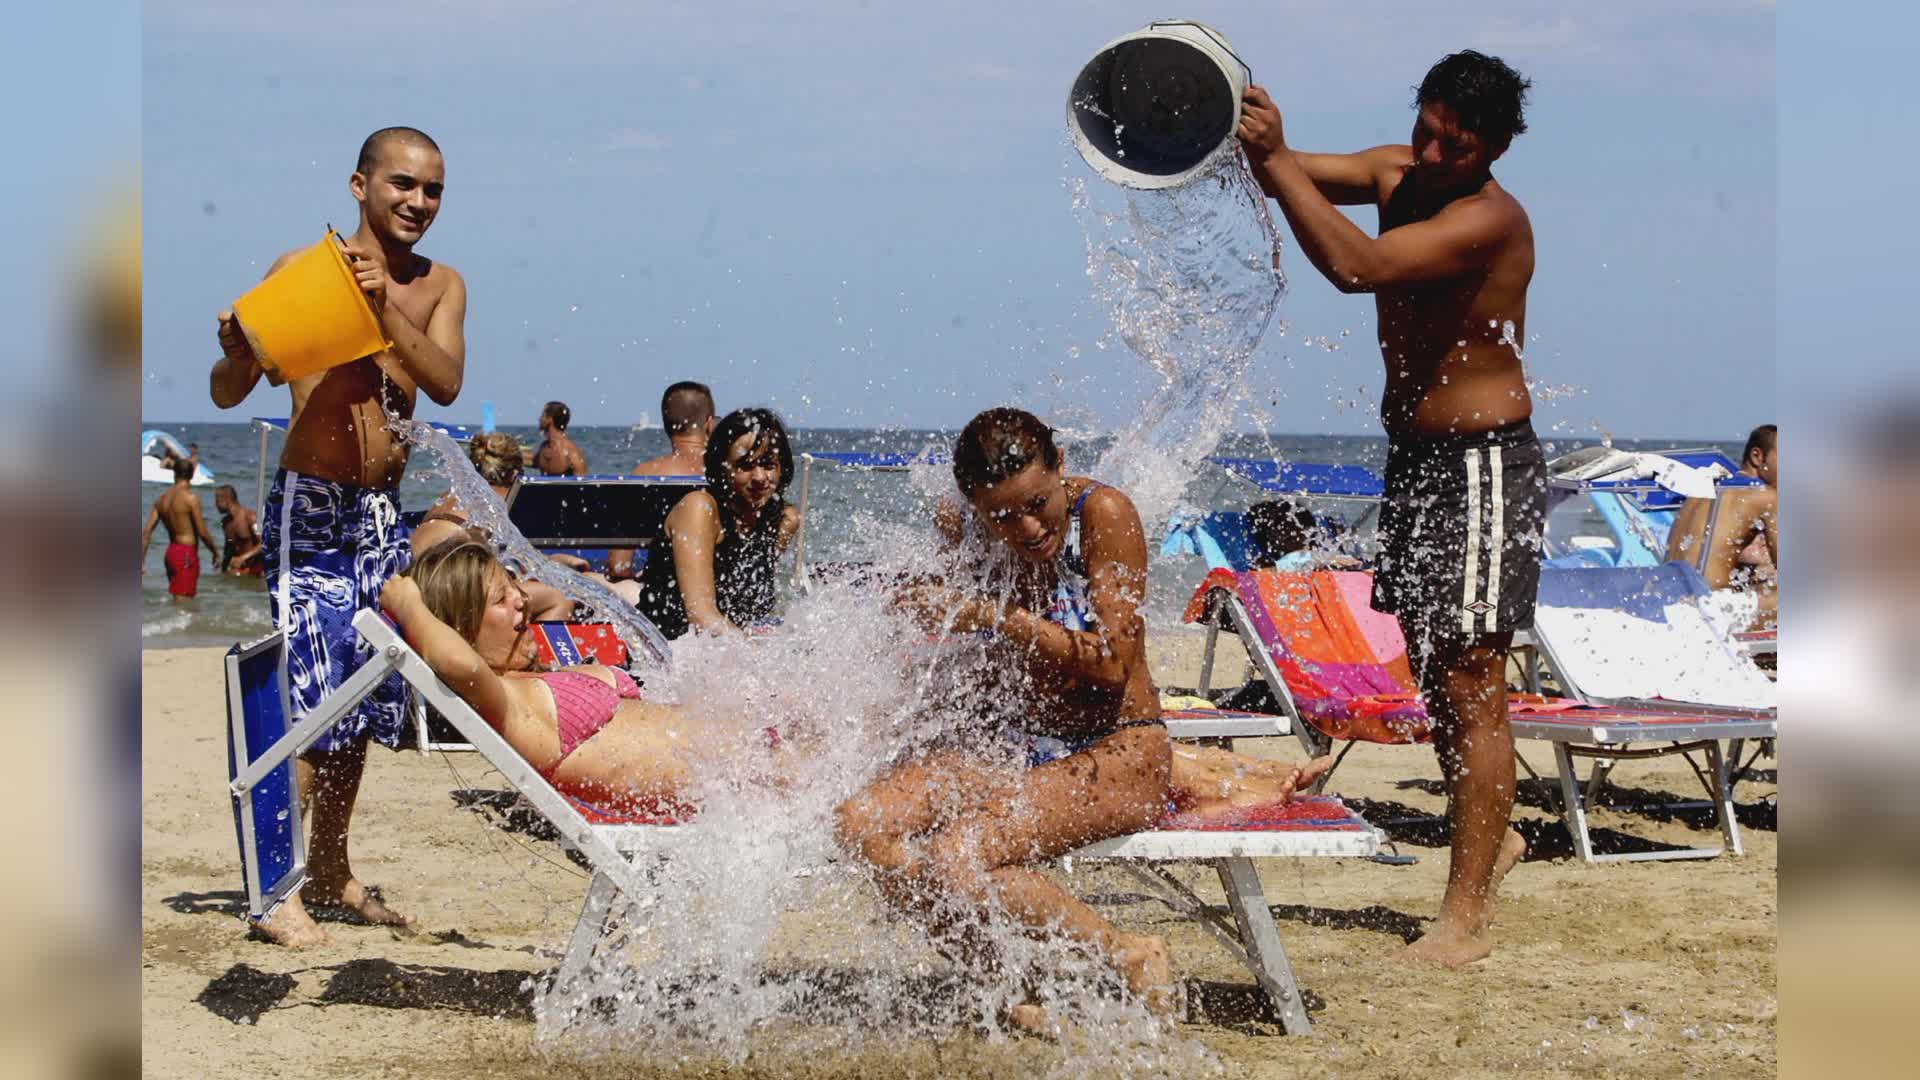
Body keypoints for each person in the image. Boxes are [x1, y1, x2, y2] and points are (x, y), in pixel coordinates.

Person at [835, 408, 1333, 1028]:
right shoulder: (965, 526)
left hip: (1118, 748)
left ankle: (1130, 953)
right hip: (1016, 745)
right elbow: (959, 632)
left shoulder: (1105, 515)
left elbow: (1112, 663)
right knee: (862, 824)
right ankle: (1005, 979)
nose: (1025, 527)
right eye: (1001, 516)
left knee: (958, 852)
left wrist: (992, 615)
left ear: (1060, 467)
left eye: (1036, 504)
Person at [1237, 50, 1541, 967]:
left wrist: (1279, 160)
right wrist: (1225, 117)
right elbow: (1270, 164)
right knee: (1437, 671)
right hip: (1415, 459)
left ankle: (1465, 918)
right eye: (1427, 126)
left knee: (1472, 679)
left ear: (1492, 148)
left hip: (1483, 465)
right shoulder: (1394, 172)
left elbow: (1359, 266)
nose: (1432, 148)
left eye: (1456, 142)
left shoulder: (1488, 217)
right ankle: (1495, 836)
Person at [208, 125, 467, 946]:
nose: (417, 203)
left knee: (362, 693)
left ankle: (330, 870)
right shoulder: (300, 270)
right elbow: (225, 390)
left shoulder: (439, 286)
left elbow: (447, 381)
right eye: (402, 185)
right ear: (360, 186)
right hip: (313, 510)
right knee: (313, 696)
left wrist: (384, 303)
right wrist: (235, 354)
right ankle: (274, 890)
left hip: (381, 514)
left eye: (431, 190)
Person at [411, 432, 633, 615]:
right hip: (451, 594)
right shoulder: (501, 499)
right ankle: (546, 664)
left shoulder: (451, 495)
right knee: (561, 597)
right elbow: (517, 569)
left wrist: (553, 560)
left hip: (418, 586)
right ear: (515, 474)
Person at [634, 408, 802, 639]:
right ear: (722, 469)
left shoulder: (784, 520)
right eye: (745, 466)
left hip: (726, 651)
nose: (760, 477)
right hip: (669, 650)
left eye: (769, 464)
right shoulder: (699, 509)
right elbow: (701, 617)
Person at [1666, 424, 1778, 627]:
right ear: (1757, 457)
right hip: (1712, 612)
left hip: (1673, 602)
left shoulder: (1704, 490)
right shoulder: (1766, 496)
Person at [608, 381, 717, 581]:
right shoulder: (726, 473)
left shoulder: (644, 474)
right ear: (710, 424)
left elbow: (618, 567)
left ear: (667, 426)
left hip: (661, 591)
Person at [141, 459, 220, 600]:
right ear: (192, 474)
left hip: (171, 553)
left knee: (178, 599)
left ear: (174, 473)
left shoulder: (161, 500)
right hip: (186, 555)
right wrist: (215, 552)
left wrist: (142, 561)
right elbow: (202, 532)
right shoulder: (191, 499)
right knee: (183, 602)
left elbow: (146, 532)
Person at [213, 485, 264, 576]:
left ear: (226, 500)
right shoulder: (225, 522)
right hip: (240, 568)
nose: (215, 505)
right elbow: (229, 548)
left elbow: (265, 543)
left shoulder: (250, 517)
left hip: (257, 568)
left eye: (217, 501)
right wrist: (223, 563)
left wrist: (243, 558)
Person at [534, 401, 589, 477]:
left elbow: (584, 484)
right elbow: (535, 461)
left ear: (550, 419)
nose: (539, 419)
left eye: (542, 415)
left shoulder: (571, 452)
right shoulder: (544, 447)